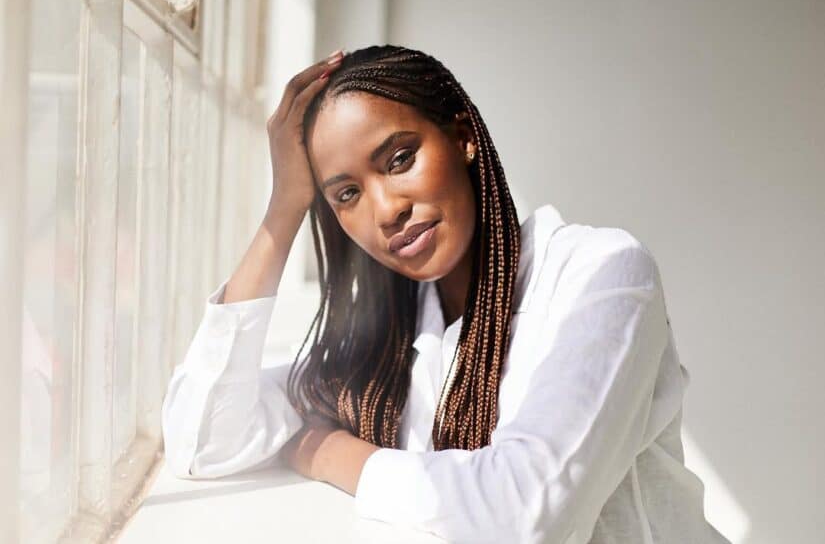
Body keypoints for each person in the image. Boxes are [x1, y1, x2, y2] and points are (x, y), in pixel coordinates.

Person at [161, 45, 730, 544]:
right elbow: (204, 441)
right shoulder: (389, 335)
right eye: (347, 195)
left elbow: (526, 514)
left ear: (462, 139)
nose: (387, 210)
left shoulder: (601, 274)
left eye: (400, 159)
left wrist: (330, 453)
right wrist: (285, 206)